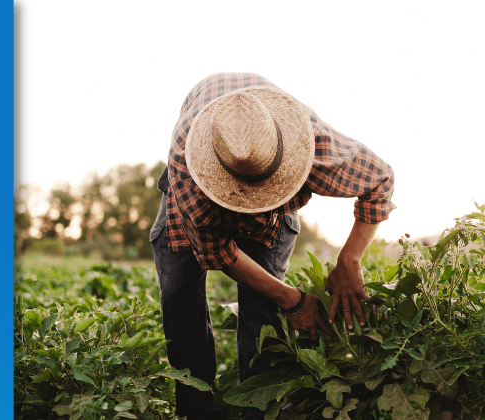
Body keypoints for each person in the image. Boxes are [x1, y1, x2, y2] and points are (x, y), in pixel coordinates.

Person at [149, 73, 395, 420]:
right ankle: (197, 410)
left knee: (264, 313)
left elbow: (380, 180)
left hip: (272, 218)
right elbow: (218, 253)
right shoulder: (189, 168)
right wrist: (293, 300)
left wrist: (350, 260)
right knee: (179, 301)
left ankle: (260, 409)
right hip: (193, 198)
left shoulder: (311, 141)